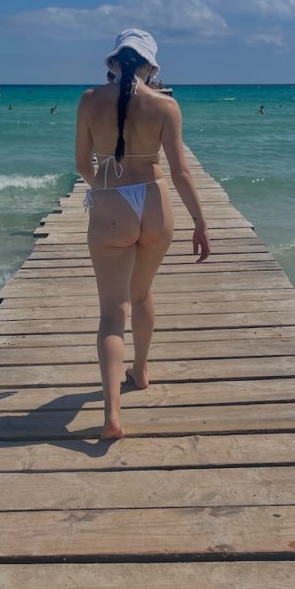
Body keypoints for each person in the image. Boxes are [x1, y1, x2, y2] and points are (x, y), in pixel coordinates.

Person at [75, 28, 211, 441]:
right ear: (151, 66)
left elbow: (83, 164)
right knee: (143, 295)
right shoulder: (166, 105)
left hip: (111, 199)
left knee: (112, 313)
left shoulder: (88, 101)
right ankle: (141, 370)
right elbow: (181, 172)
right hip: (154, 202)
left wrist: (102, 191)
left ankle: (112, 414)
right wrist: (201, 223)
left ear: (112, 63)